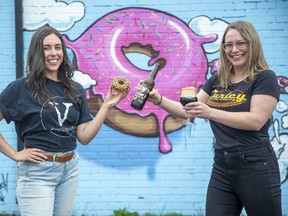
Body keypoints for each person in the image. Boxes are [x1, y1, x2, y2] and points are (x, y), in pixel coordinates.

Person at [147, 20, 282, 216]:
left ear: (252, 44)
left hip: (255, 165)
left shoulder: (264, 78)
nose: (234, 49)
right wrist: (157, 98)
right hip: (222, 166)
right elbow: (188, 111)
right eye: (228, 45)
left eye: (240, 43)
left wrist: (209, 112)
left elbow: (256, 121)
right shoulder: (218, 80)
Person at [0, 25, 128, 216]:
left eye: (58, 47)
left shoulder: (75, 89)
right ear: (37, 52)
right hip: (37, 172)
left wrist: (107, 105)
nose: (54, 53)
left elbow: (84, 137)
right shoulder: (21, 88)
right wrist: (15, 154)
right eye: (46, 48)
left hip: (69, 168)